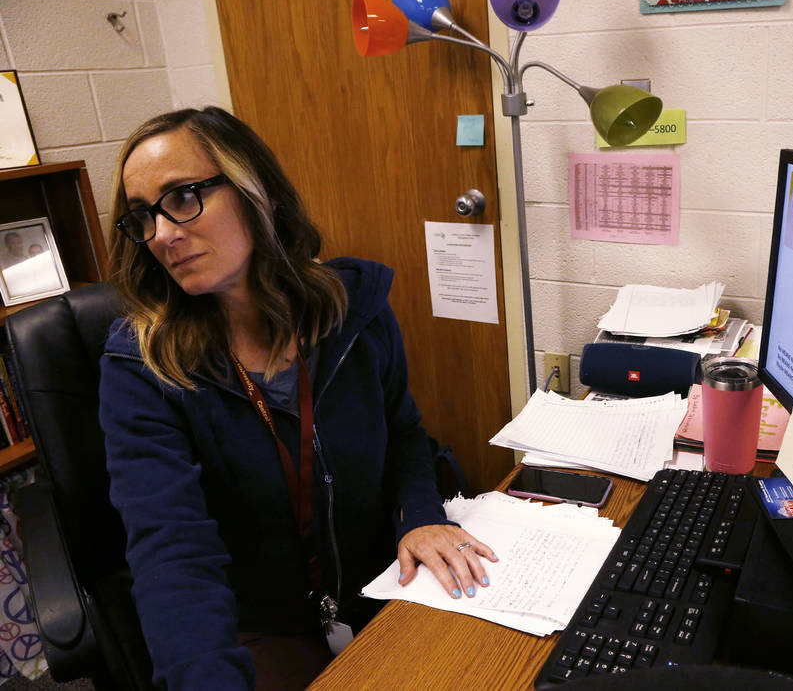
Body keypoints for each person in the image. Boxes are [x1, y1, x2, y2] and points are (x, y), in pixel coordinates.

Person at [99, 106, 496, 690]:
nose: (161, 234)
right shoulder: (144, 367)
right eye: (142, 218)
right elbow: (172, 555)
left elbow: (405, 432)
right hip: (259, 629)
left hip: (383, 585)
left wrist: (420, 517)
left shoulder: (352, 310)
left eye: (183, 198)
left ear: (257, 193)